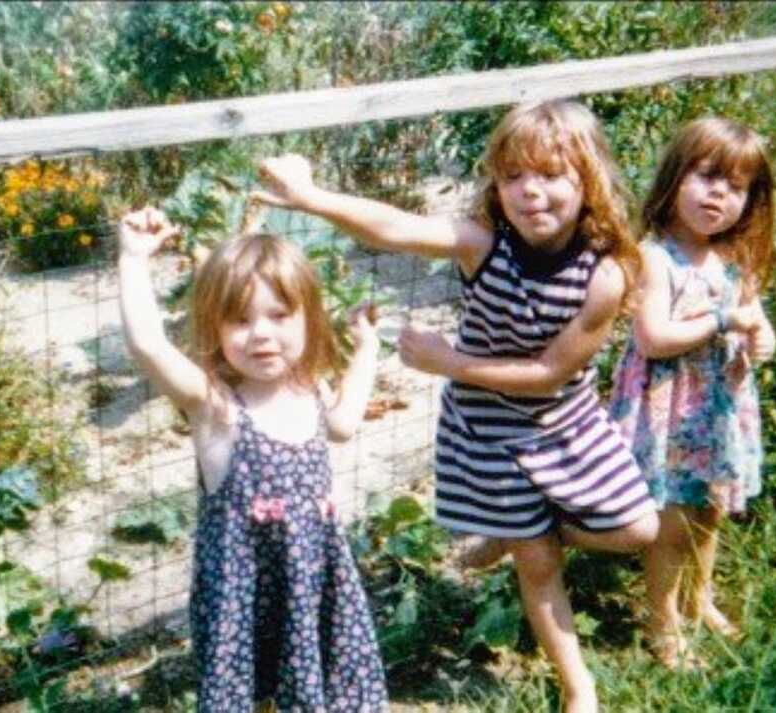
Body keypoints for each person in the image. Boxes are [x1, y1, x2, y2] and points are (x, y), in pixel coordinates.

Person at [254, 99, 659, 713]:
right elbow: (392, 227)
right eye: (513, 176)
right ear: (496, 183)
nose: (530, 193)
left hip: (566, 419)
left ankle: (518, 528)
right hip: (488, 426)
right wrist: (311, 196)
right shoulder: (483, 244)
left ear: (589, 180)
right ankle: (580, 686)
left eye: (551, 176)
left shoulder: (605, 275)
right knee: (539, 561)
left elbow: (550, 374)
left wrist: (449, 363)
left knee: (639, 529)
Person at [117, 207, 389, 712]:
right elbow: (148, 345)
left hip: (312, 587)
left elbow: (346, 423)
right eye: (240, 320)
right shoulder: (215, 405)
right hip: (242, 600)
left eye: (279, 316)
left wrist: (367, 349)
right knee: (248, 694)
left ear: (308, 317)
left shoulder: (310, 389)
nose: (261, 333)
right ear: (214, 329)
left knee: (319, 686)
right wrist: (134, 259)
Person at [609, 117, 776, 669]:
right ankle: (663, 624)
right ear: (675, 178)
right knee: (670, 523)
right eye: (707, 177)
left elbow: (755, 320)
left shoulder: (735, 258)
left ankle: (698, 598)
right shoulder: (656, 257)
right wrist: (725, 320)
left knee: (710, 511)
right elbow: (654, 339)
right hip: (668, 410)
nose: (719, 195)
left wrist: (761, 336)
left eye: (736, 186)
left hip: (719, 409)